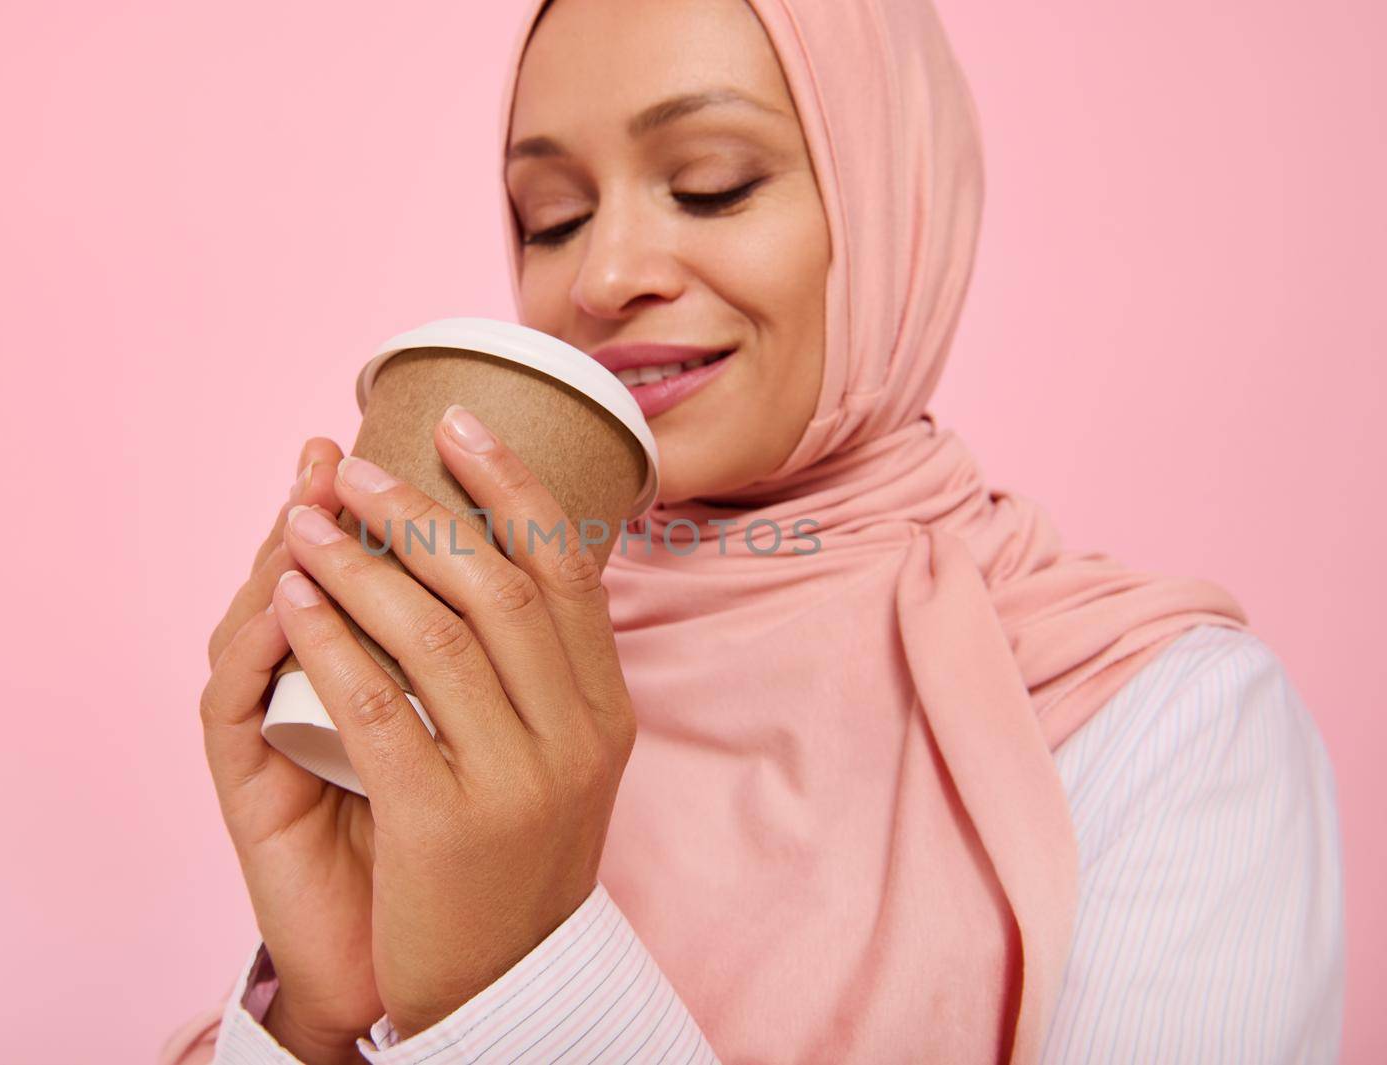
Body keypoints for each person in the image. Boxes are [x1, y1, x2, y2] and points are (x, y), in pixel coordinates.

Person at [162, 0, 1345, 1061]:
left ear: (893, 216)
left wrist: (517, 971)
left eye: (713, 182)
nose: (604, 276)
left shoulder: (1167, 719)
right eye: (552, 215)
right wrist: (319, 1022)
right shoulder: (459, 686)